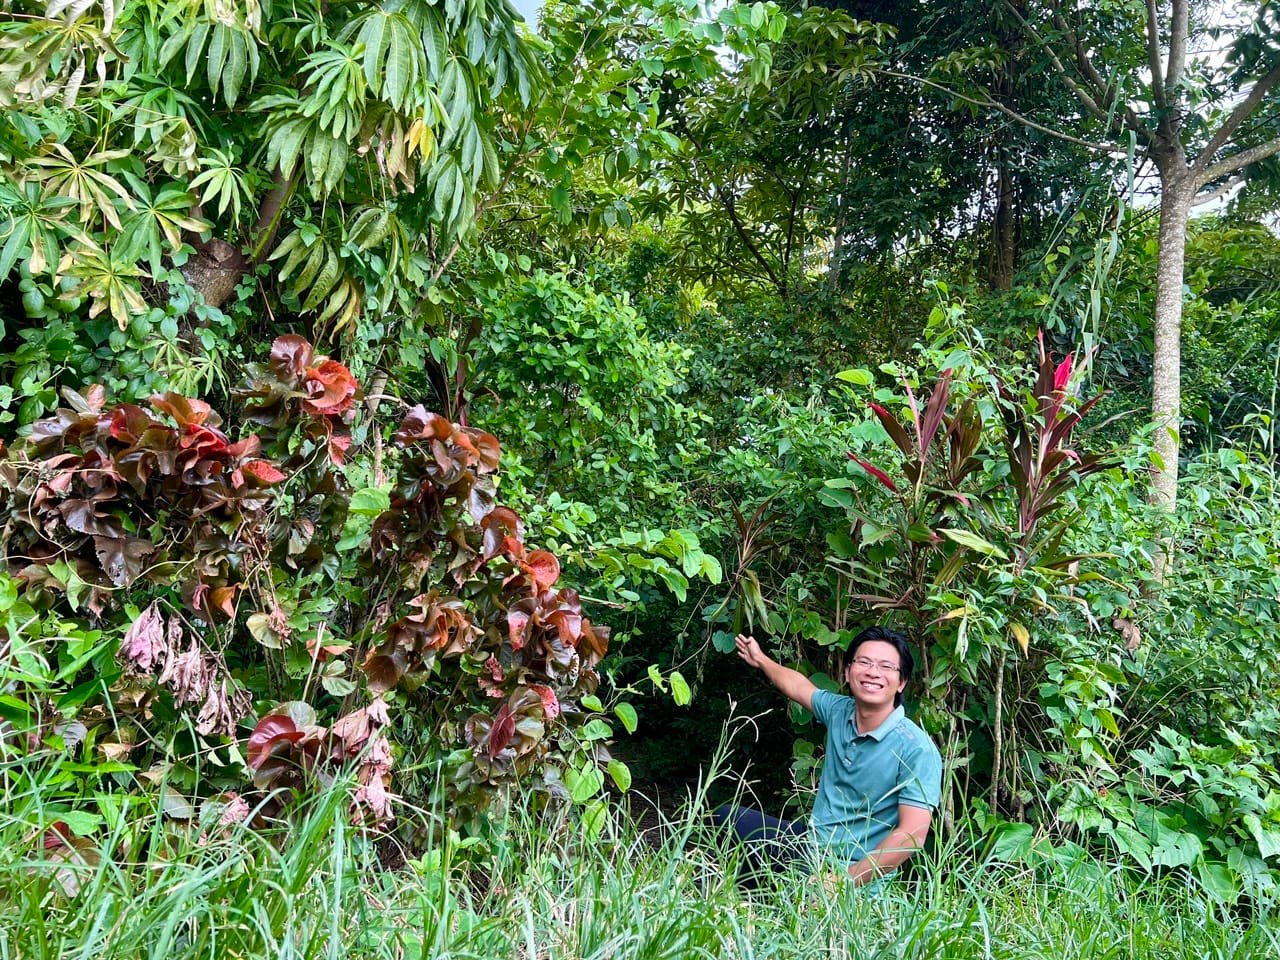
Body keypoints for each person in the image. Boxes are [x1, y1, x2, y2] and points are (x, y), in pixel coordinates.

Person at [713, 625, 942, 888]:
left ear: (901, 682)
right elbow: (798, 687)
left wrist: (842, 882)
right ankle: (759, 905)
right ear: (847, 671)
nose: (872, 672)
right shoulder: (839, 711)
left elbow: (911, 835)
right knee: (729, 820)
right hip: (812, 847)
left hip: (856, 872)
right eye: (863, 662)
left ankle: (798, 900)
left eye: (886, 666)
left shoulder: (916, 748)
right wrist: (762, 659)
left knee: (811, 897)